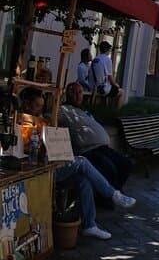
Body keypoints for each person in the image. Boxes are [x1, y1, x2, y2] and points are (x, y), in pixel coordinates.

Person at [19, 88, 136, 240]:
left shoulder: (44, 120)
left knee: (83, 180)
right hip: (37, 171)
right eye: (36, 106)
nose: (39, 109)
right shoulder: (23, 122)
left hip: (50, 167)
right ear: (27, 105)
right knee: (82, 162)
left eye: (41, 106)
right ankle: (113, 194)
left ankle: (89, 225)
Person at [58, 82, 133, 192]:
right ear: (67, 95)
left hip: (103, 147)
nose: (77, 95)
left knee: (127, 164)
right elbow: (51, 117)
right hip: (88, 150)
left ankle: (114, 192)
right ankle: (109, 196)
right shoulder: (63, 110)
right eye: (73, 92)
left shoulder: (84, 111)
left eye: (79, 92)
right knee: (110, 169)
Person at [91, 40, 123, 106]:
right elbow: (110, 77)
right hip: (103, 88)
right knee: (122, 92)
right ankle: (116, 112)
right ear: (107, 50)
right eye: (109, 49)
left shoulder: (95, 59)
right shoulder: (107, 60)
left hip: (93, 86)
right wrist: (115, 85)